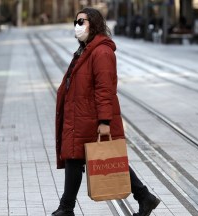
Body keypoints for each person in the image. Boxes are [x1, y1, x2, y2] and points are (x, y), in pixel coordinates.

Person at [53, 8, 160, 216]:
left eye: (82, 22)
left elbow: (105, 90)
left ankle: (66, 208)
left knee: (105, 158)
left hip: (92, 118)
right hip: (81, 117)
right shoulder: (84, 50)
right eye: (76, 22)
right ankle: (144, 197)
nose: (77, 26)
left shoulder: (102, 52)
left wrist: (104, 121)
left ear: (93, 24)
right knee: (76, 158)